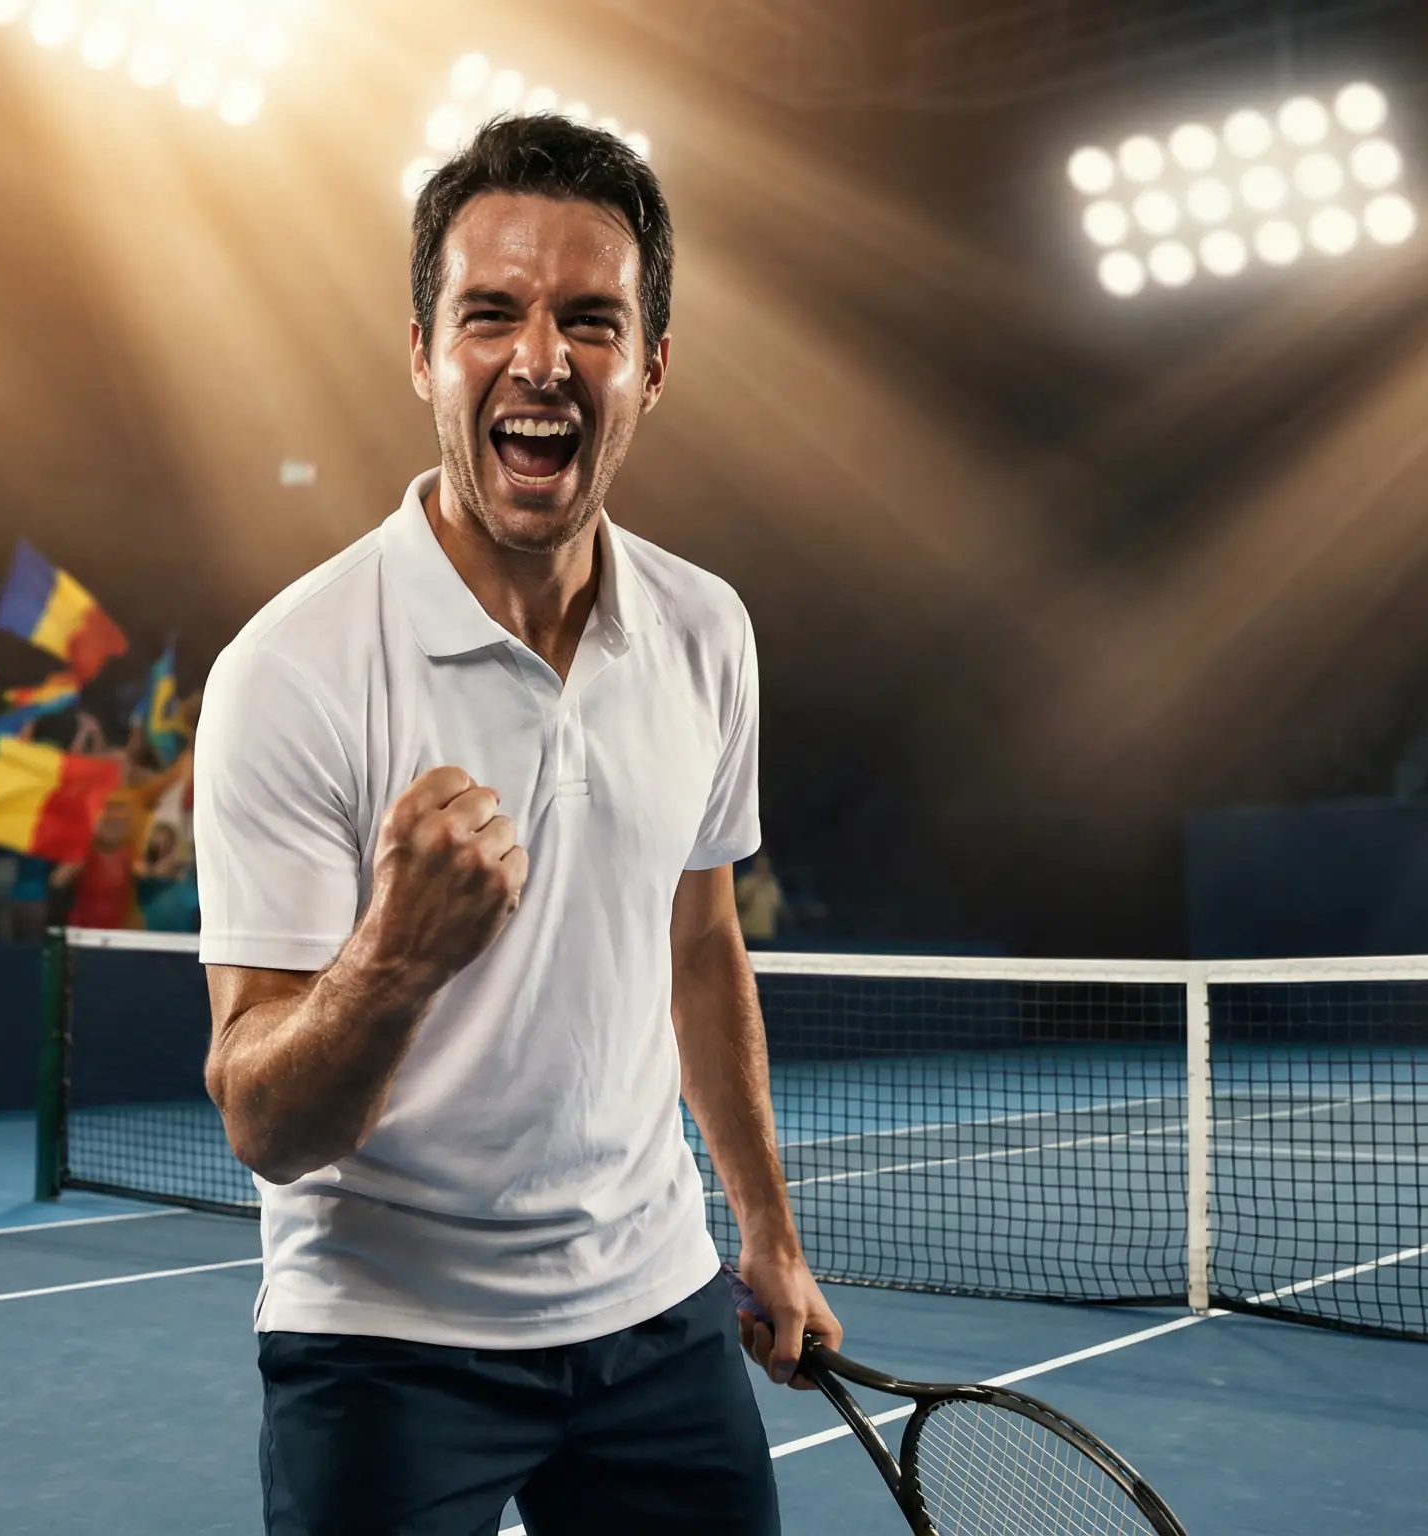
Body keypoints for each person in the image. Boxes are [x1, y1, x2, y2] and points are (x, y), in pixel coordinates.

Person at [193, 116, 827, 1535]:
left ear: (648, 371)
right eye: (493, 313)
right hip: (386, 1339)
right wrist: (398, 958)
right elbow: (263, 1120)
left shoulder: (708, 633)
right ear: (424, 353)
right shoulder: (289, 672)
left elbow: (700, 938)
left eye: (592, 320)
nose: (541, 358)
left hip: (656, 1311)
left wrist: (767, 1238)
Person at [54, 795, 140, 932]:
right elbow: (57, 880)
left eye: (121, 824)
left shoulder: (130, 854)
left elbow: (149, 874)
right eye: (110, 823)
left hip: (115, 934)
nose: (115, 829)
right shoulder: (86, 850)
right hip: (82, 932)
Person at [133, 817, 198, 933]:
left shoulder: (183, 873)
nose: (162, 846)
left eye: (167, 843)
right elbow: (141, 871)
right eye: (158, 842)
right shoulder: (141, 868)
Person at [734, 853, 785, 945]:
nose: (763, 866)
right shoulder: (745, 882)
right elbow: (738, 906)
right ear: (755, 864)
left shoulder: (773, 884)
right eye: (760, 863)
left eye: (765, 864)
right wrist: (755, 888)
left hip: (767, 935)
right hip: (748, 934)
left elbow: (778, 908)